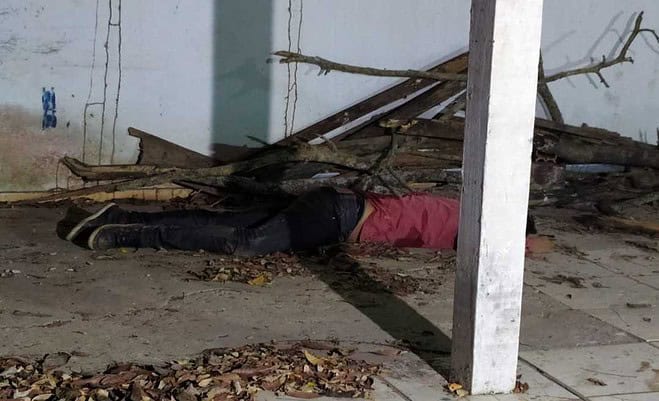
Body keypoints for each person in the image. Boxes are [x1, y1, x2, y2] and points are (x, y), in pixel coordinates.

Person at [65, 187, 535, 255]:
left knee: (228, 218)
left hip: (333, 205)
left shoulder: (459, 208)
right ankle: (126, 235)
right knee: (244, 242)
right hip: (335, 216)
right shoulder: (464, 222)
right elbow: (506, 251)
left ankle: (121, 215)